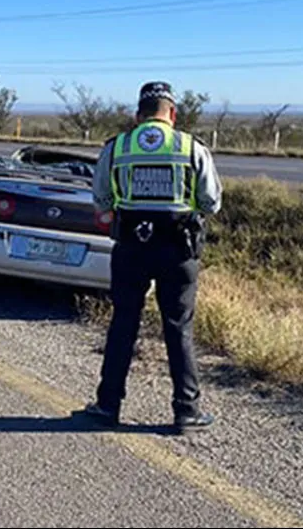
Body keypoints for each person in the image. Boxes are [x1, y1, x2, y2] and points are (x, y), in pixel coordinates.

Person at [78, 81, 223, 431]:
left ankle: (107, 406)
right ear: (172, 114)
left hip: (131, 246)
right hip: (178, 248)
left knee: (123, 323)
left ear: (138, 115)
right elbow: (212, 202)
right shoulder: (191, 147)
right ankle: (186, 411)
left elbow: (100, 200)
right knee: (178, 326)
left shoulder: (118, 147)